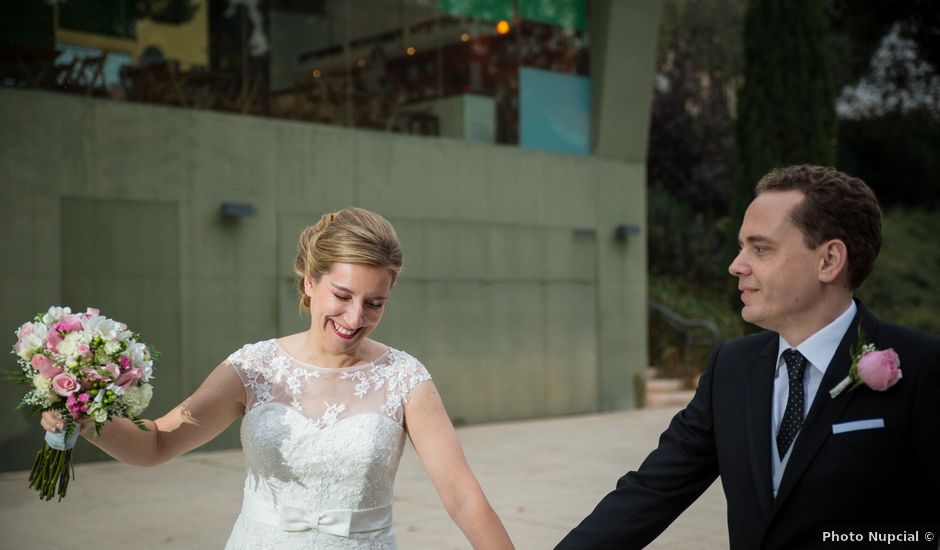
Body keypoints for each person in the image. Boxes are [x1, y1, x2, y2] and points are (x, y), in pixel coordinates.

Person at [42, 207, 514, 550]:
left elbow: (462, 497)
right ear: (309, 281)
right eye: (343, 295)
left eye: (376, 303)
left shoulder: (405, 379)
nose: (355, 317)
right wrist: (85, 417)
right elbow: (158, 443)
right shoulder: (253, 368)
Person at [556, 165, 940, 549]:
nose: (736, 265)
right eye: (742, 247)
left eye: (760, 248)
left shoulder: (922, 366)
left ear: (829, 261)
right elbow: (651, 492)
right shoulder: (731, 367)